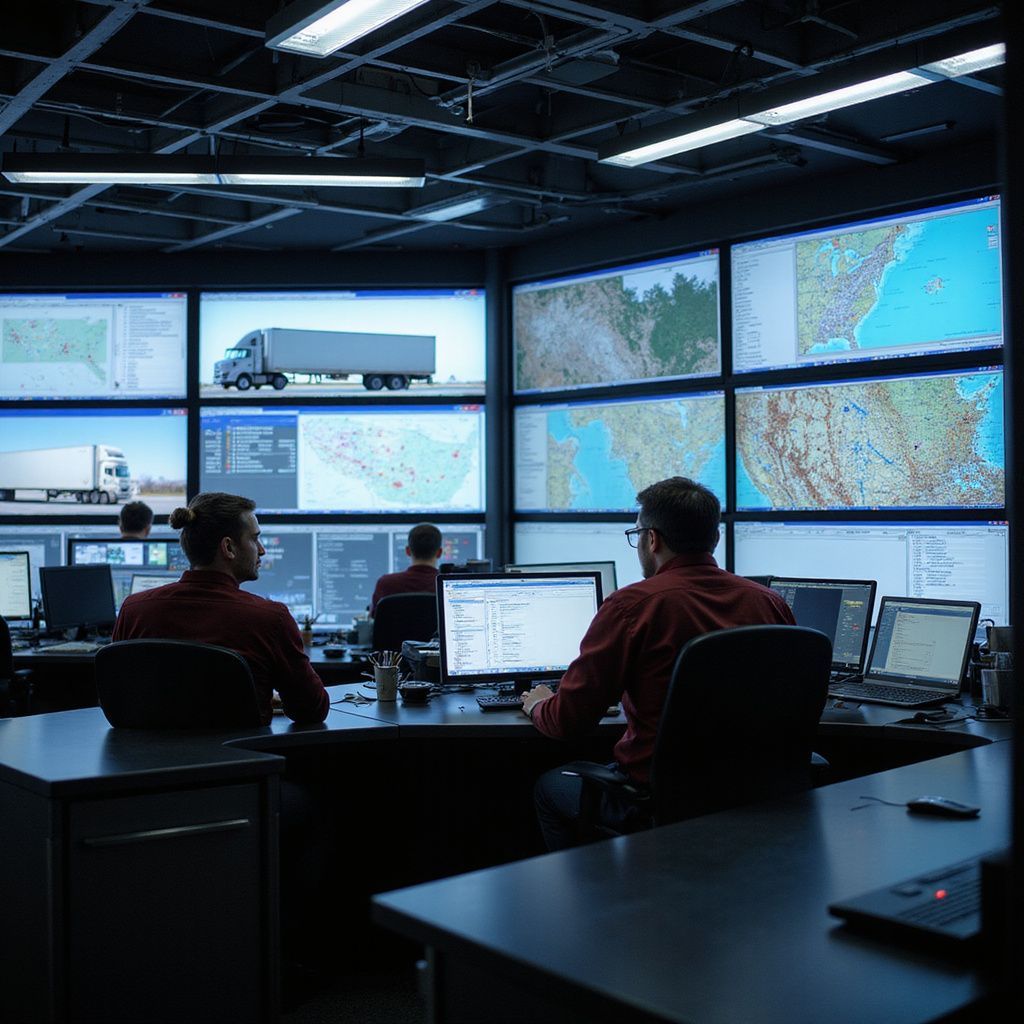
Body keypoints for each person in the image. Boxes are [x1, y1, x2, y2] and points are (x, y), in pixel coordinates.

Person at [522, 476, 795, 850]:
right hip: (759, 793)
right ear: (715, 538)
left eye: (637, 535)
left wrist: (538, 705)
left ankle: (594, 889)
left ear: (652, 539)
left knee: (550, 787)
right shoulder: (770, 603)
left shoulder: (632, 606)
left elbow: (567, 722)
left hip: (657, 797)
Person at [113, 491, 329, 725]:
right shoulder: (270, 619)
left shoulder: (134, 611)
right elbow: (312, 710)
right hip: (240, 749)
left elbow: (118, 700)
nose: (262, 550)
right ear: (228, 547)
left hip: (148, 750)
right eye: (254, 539)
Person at [370, 522, 443, 615]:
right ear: (439, 553)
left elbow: (374, 619)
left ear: (408, 551)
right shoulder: (447, 586)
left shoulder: (386, 584)